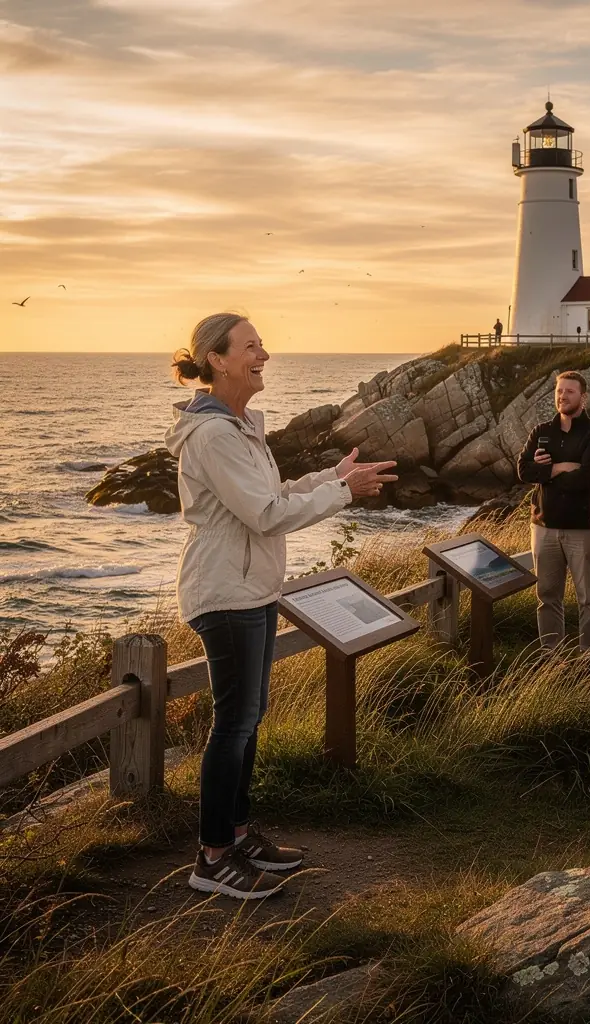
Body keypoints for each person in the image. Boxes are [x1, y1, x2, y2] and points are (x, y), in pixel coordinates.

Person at [167, 313, 398, 899]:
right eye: (251, 346)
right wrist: (344, 492)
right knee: (234, 724)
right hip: (226, 592)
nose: (264, 354)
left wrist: (331, 476)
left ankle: (239, 836)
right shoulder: (214, 435)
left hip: (254, 588)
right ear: (218, 360)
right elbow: (266, 515)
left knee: (248, 719)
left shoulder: (241, 425)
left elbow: (273, 495)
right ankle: (213, 857)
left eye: (261, 344)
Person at [516, 371, 590, 652]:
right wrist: (559, 468)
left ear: (583, 397)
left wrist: (545, 474)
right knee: (546, 596)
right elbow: (523, 470)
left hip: (583, 529)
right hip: (543, 527)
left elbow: (587, 478)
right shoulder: (541, 432)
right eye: (559, 391)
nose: (562, 396)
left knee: (589, 598)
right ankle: (552, 656)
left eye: (569, 391)